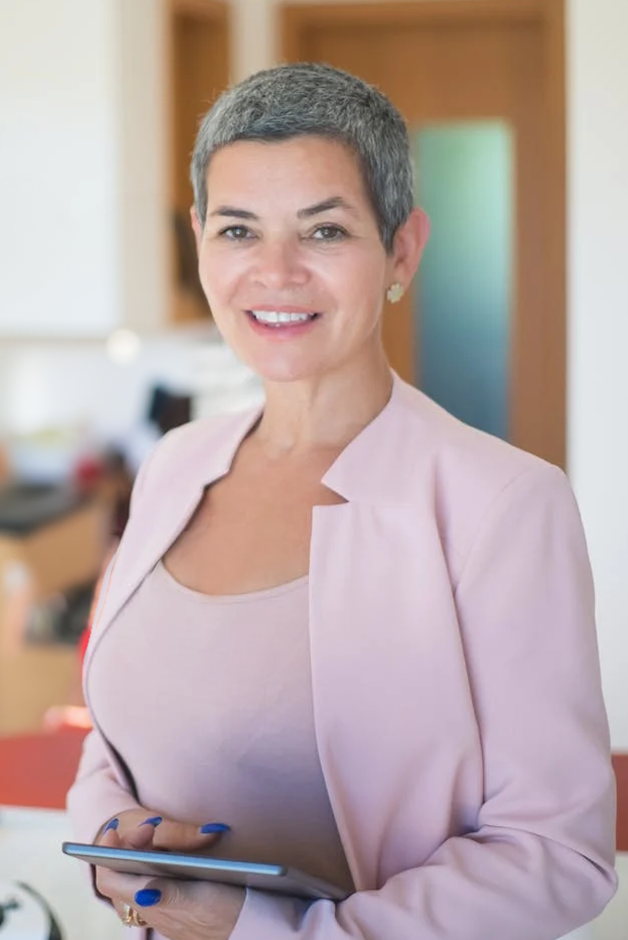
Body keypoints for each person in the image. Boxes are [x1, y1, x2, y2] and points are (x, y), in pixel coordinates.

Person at [66, 63, 617, 939]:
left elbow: (558, 855)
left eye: (324, 230)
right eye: (238, 229)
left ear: (401, 251)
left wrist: (260, 930)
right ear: (202, 243)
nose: (275, 272)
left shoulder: (503, 505)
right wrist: (110, 848)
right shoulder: (175, 466)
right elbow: (118, 737)